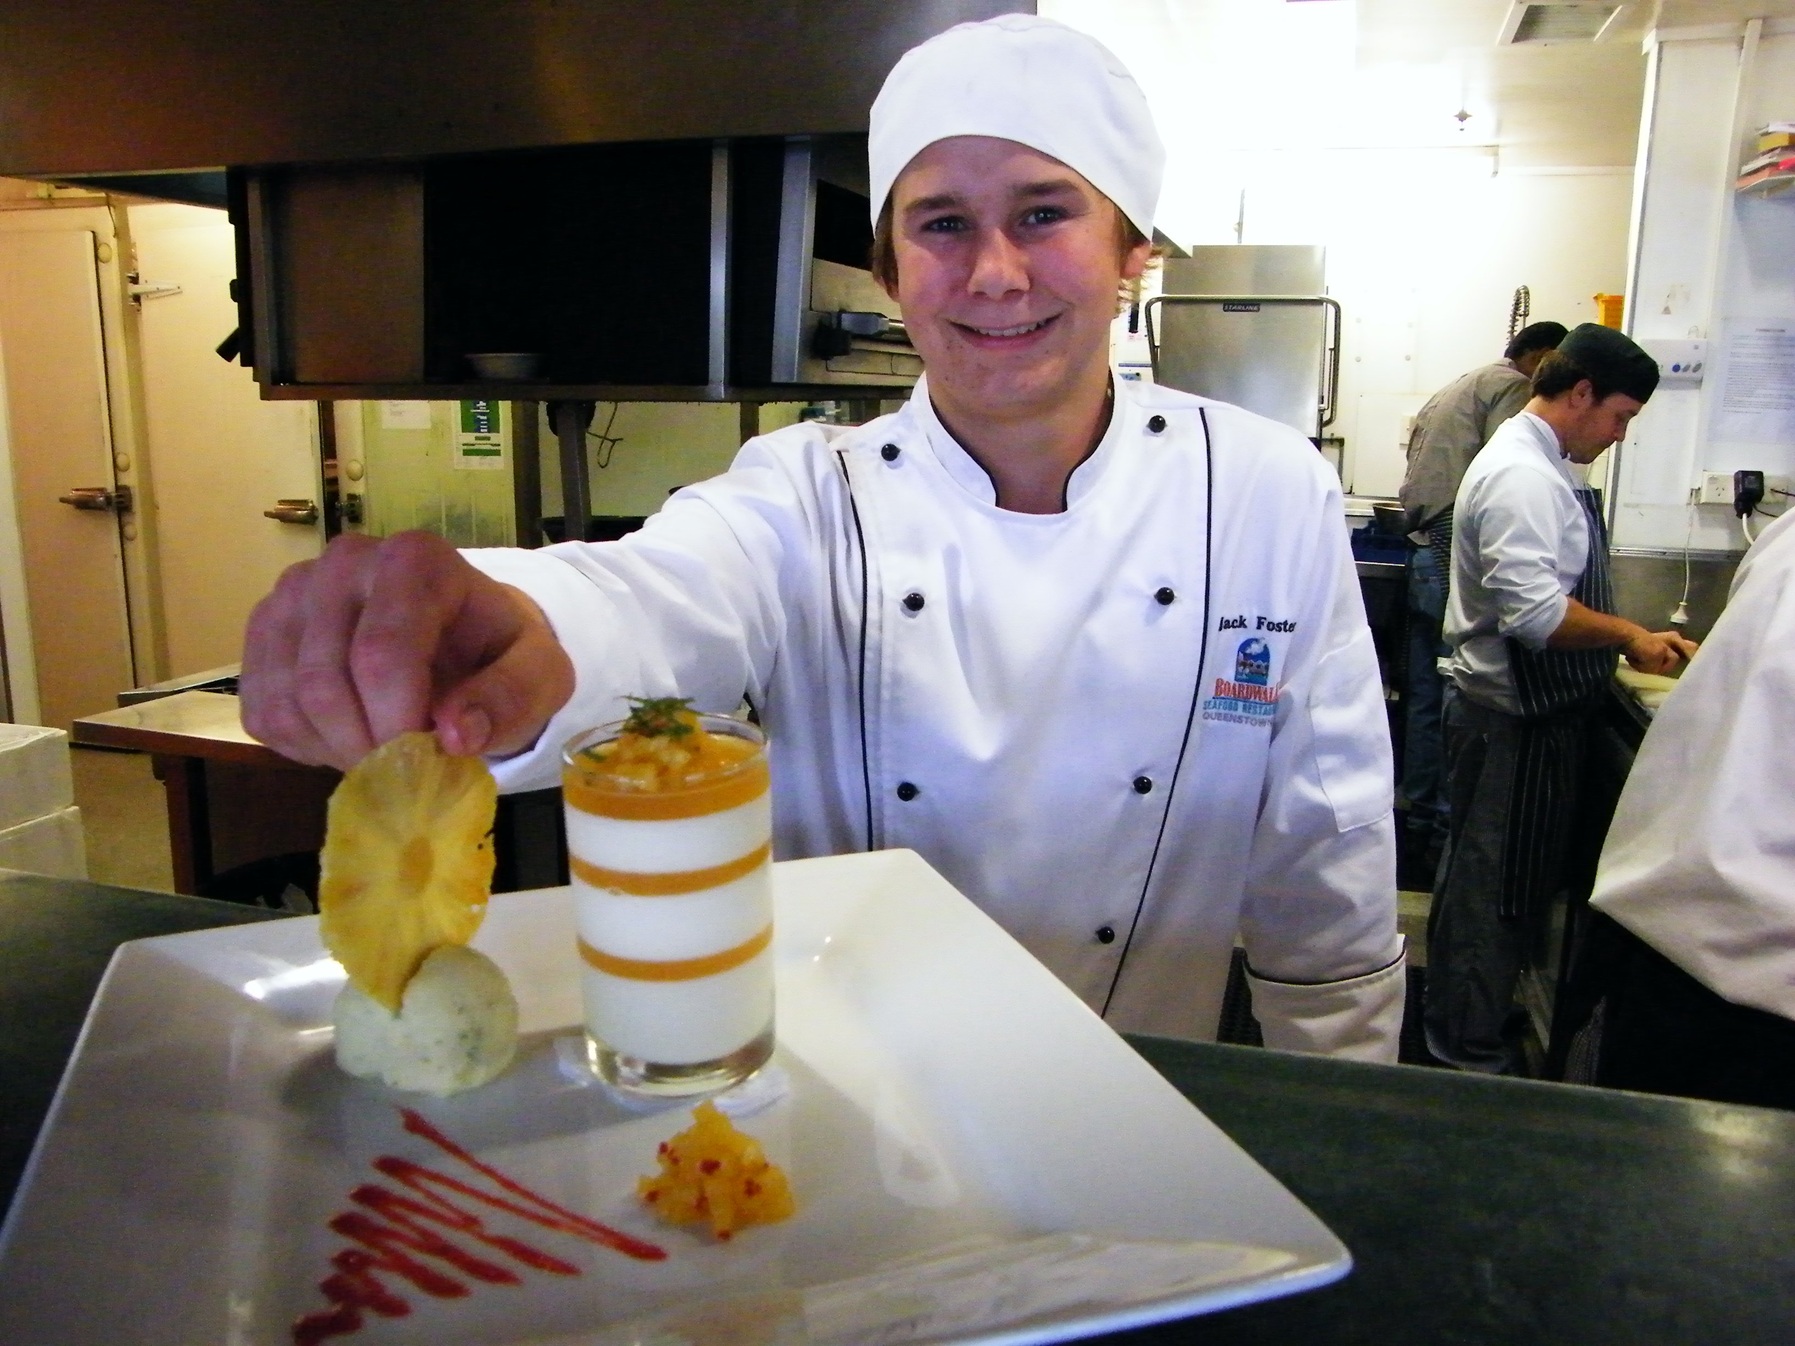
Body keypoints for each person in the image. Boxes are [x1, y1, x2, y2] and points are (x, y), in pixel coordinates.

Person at [241, 16, 1406, 1059]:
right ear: (893, 271)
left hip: (1145, 1094)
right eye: (941, 224)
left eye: (1044, 213)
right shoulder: (808, 492)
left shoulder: (1260, 492)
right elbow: (661, 593)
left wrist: (1351, 1114)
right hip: (850, 1097)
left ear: (1130, 251)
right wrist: (522, 629)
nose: (995, 272)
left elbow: (1326, 834)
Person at [1424, 323, 1696, 1074]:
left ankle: (1471, 1014)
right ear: (1580, 393)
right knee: (1491, 887)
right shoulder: (1522, 476)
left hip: (1527, 717)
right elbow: (1535, 616)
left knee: (1496, 881)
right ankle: (1464, 1048)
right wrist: (1628, 635)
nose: (1618, 435)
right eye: (1620, 416)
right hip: (1509, 720)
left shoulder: (1546, 466)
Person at [1583, 505, 1795, 1109]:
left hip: (1668, 958)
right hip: (1756, 1003)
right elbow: (1531, 610)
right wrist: (1628, 633)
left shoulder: (1785, 537)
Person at [1396, 322, 1567, 883]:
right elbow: (1503, 486)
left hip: (1422, 552)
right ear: (1542, 356)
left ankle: (1418, 826)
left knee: (1425, 697)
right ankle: (1446, 834)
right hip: (1448, 553)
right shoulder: (1512, 391)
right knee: (1459, 694)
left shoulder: (1463, 382)